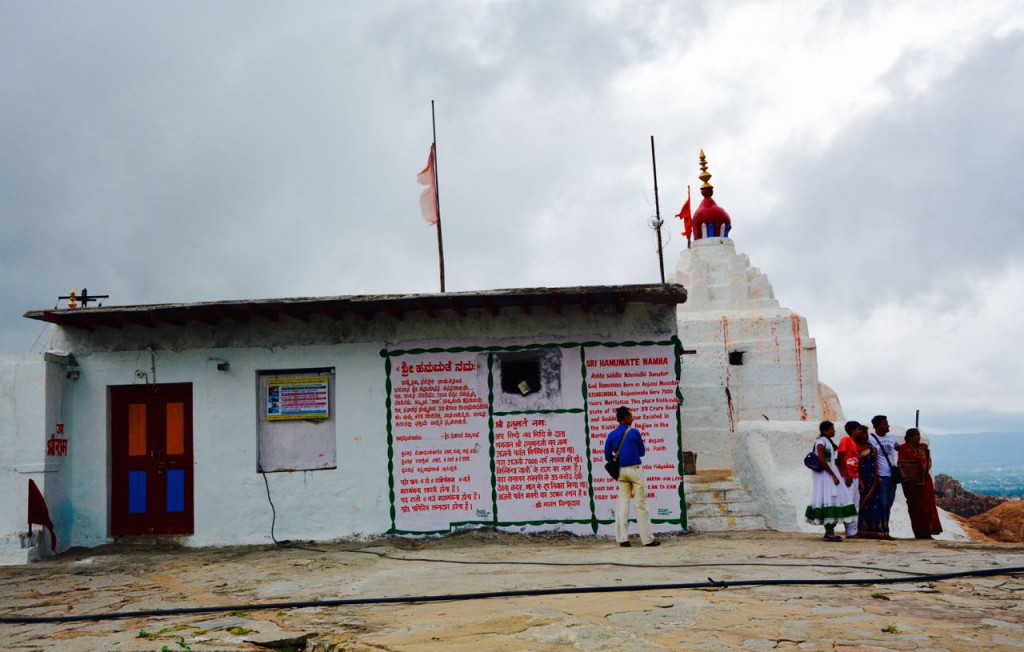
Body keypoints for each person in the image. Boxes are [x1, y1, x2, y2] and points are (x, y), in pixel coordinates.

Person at [604, 406, 659, 547]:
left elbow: (607, 456)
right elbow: (642, 452)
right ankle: (647, 539)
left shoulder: (611, 434)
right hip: (635, 470)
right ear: (625, 418)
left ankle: (623, 539)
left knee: (623, 504)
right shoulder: (634, 433)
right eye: (631, 416)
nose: (633, 418)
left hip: (621, 472)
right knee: (640, 504)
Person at [805, 421, 856, 541]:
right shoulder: (821, 442)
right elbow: (822, 460)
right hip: (825, 475)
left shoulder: (828, 442)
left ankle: (830, 531)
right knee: (828, 498)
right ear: (825, 431)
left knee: (835, 498)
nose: (834, 431)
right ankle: (829, 532)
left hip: (830, 473)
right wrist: (833, 475)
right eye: (831, 429)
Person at [898, 428, 943, 539]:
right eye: (915, 435)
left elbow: (928, 463)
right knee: (916, 507)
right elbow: (902, 465)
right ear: (909, 437)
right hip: (912, 484)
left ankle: (927, 531)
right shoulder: (904, 448)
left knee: (928, 506)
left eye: (919, 435)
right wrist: (914, 474)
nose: (918, 437)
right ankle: (919, 532)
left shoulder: (923, 448)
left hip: (925, 482)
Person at [856, 423, 892, 539]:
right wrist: (859, 481)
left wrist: (878, 476)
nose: (866, 436)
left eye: (867, 433)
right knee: (863, 505)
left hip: (873, 480)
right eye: (863, 434)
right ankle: (862, 530)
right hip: (862, 480)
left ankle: (880, 531)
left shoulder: (872, 448)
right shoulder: (856, 448)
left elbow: (875, 463)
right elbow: (856, 466)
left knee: (877, 505)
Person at [870, 415, 901, 523]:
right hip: (881, 476)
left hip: (892, 476)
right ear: (877, 426)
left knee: (889, 503)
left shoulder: (891, 436)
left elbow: (899, 448)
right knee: (882, 503)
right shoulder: (871, 439)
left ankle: (885, 527)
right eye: (885, 424)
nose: (888, 426)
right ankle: (880, 527)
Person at [837, 421, 861, 538]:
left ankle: (853, 530)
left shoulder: (855, 443)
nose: (860, 432)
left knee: (856, 503)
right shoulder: (845, 440)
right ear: (853, 430)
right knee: (849, 503)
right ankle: (850, 531)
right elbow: (840, 457)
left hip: (855, 476)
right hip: (848, 476)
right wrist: (846, 475)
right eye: (858, 429)